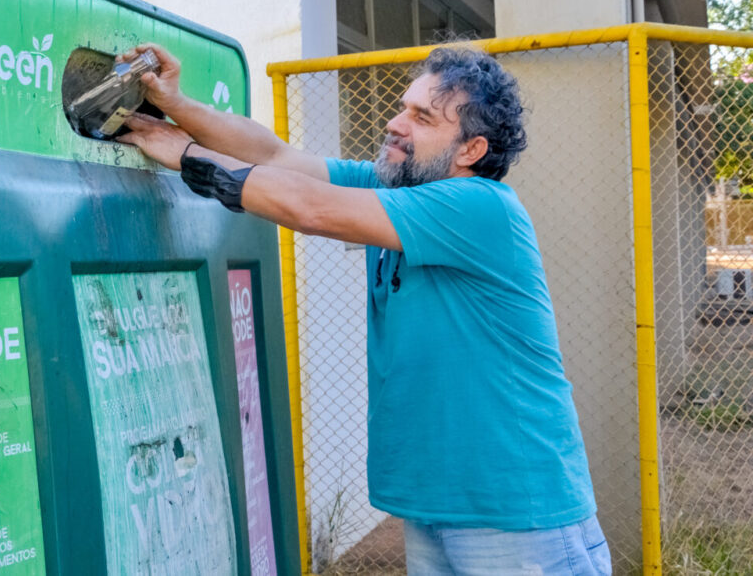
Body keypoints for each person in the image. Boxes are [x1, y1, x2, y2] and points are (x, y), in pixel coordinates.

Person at [116, 43, 612, 575]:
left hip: (515, 510)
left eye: (422, 118)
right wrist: (178, 106)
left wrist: (186, 154)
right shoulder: (394, 187)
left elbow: (311, 207)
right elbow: (276, 158)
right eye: (405, 107)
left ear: (471, 150)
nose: (397, 123)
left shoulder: (481, 207)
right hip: (439, 503)